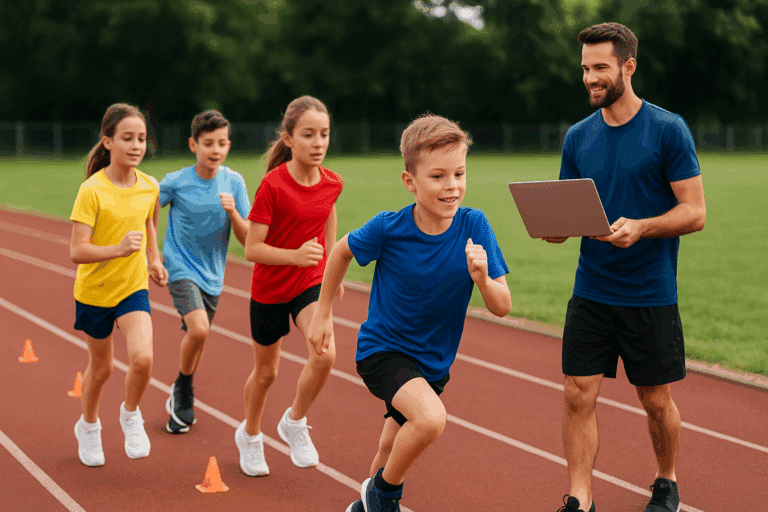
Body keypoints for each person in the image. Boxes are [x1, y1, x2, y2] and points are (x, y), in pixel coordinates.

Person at [309, 114, 512, 512]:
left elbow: (503, 306)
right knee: (431, 420)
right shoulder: (389, 228)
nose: (452, 186)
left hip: (432, 363)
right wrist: (322, 312)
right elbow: (340, 251)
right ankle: (384, 496)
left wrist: (484, 279)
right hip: (383, 351)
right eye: (438, 177)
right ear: (410, 182)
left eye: (459, 174)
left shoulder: (474, 225)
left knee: (390, 445)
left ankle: (365, 505)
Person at [544, 23, 706, 512]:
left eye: (600, 68)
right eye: (585, 69)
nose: (590, 78)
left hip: (649, 293)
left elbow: (694, 212)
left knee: (655, 401)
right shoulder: (578, 136)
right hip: (591, 289)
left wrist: (642, 226)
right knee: (577, 395)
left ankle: (666, 480)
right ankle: (580, 497)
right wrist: (553, 226)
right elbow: (565, 214)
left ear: (628, 67)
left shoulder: (667, 129)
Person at [235, 96, 343, 477]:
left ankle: (294, 421)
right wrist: (294, 255)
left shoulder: (332, 182)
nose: (318, 143)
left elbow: (328, 215)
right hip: (269, 288)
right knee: (266, 374)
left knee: (325, 353)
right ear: (288, 138)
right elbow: (252, 249)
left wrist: (329, 267)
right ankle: (249, 435)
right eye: (308, 135)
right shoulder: (273, 185)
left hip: (308, 284)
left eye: (324, 134)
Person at [70, 103, 169, 467]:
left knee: (143, 359)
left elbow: (149, 224)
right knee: (102, 369)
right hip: (94, 293)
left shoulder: (149, 186)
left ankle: (130, 414)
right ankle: (89, 426)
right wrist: (117, 249)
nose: (136, 145)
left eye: (141, 138)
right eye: (127, 138)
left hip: (132, 288)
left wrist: (154, 260)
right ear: (107, 141)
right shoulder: (91, 190)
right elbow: (77, 250)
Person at [159, 110, 251, 434]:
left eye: (222, 143)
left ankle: (182, 390)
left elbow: (247, 239)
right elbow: (143, 208)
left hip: (213, 274)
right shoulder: (176, 182)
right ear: (193, 145)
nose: (216, 149)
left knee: (197, 338)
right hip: (180, 265)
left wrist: (235, 212)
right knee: (198, 330)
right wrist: (152, 256)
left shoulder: (234, 182)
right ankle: (183, 389)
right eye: (208, 143)